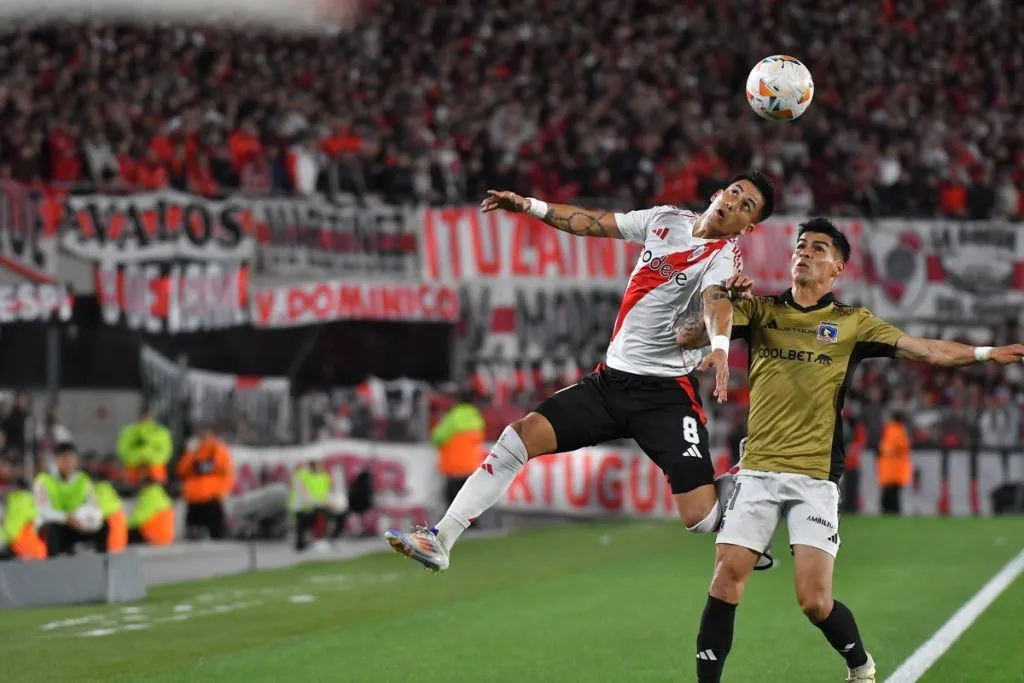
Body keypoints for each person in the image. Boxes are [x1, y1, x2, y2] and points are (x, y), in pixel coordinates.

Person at [677, 217, 1024, 683]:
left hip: (815, 477)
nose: (805, 252)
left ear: (837, 268)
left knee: (814, 602)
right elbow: (687, 337)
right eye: (801, 246)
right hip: (757, 471)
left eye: (819, 249)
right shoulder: (759, 310)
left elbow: (923, 349)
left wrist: (985, 354)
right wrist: (720, 301)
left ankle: (860, 666)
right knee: (725, 580)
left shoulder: (851, 323)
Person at [386, 171, 777, 572]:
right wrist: (529, 206)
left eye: (746, 206)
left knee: (700, 519)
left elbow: (716, 300)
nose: (733, 203)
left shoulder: (723, 258)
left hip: (665, 395)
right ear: (717, 193)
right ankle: (441, 539)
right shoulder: (665, 220)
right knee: (518, 438)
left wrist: (719, 348)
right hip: (610, 383)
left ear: (747, 227)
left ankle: (741, 487)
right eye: (734, 192)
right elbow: (593, 223)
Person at [34, 442, 110, 556]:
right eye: (64, 458)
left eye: (71, 458)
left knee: (104, 526)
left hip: (77, 523)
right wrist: (66, 518)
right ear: (56, 460)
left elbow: (94, 507)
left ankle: (102, 563)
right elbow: (42, 511)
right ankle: (52, 566)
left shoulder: (84, 480)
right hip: (55, 523)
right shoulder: (43, 480)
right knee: (52, 530)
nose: (68, 463)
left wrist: (86, 521)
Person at [430, 385, 486, 508]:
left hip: (454, 468)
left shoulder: (453, 417)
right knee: (468, 507)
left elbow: (437, 437)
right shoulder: (477, 417)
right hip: (471, 468)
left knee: (452, 507)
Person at [176, 425, 234, 540]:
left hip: (211, 500)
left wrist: (220, 492)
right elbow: (181, 471)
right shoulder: (194, 452)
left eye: (206, 433)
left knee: (218, 536)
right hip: (195, 500)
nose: (203, 436)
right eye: (201, 433)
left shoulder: (219, 451)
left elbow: (227, 474)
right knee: (192, 536)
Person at [877, 412, 912, 515]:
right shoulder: (899, 430)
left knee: (890, 495)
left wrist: (886, 449)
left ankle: (889, 513)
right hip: (895, 470)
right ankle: (892, 514)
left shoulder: (894, 430)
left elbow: (893, 448)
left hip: (892, 470)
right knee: (893, 494)